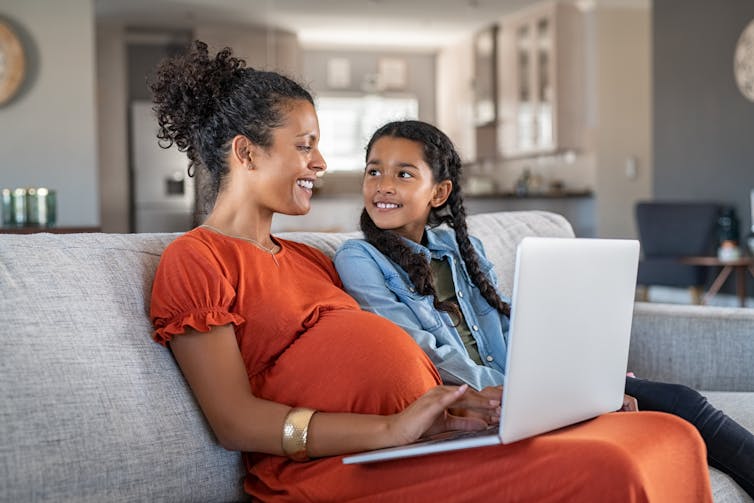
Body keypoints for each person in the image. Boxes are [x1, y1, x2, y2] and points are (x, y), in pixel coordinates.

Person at [149, 41, 713, 502]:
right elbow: (235, 422)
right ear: (246, 155)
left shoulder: (305, 257)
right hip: (341, 469)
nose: (321, 164)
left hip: (423, 442)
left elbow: (396, 368)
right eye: (305, 146)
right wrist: (391, 430)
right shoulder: (197, 260)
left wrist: (469, 410)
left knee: (669, 433)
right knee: (609, 470)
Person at [334, 119, 754, 499]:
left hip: (532, 392)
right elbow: (416, 347)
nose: (383, 185)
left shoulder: (460, 248)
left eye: (403, 174)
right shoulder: (360, 258)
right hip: (485, 403)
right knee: (666, 416)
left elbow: (513, 325)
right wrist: (517, 394)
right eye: (374, 171)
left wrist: (576, 378)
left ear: (439, 192)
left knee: (681, 402)